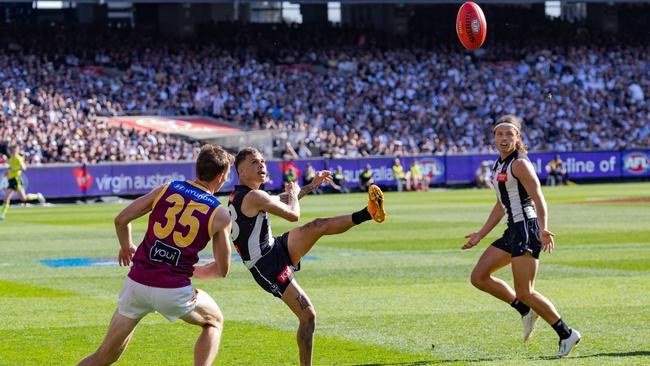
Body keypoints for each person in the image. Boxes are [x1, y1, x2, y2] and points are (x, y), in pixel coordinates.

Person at [228, 147, 387, 366]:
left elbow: (280, 199)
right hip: (266, 266)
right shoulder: (254, 196)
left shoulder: (247, 194)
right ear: (241, 171)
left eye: (263, 161)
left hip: (274, 247)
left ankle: (369, 213)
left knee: (317, 225)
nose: (262, 165)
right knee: (308, 317)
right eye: (254, 162)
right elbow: (293, 214)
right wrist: (294, 194)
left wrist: (310, 186)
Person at [78, 144, 234, 366]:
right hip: (174, 290)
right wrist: (195, 271)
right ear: (220, 177)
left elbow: (121, 219)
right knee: (214, 322)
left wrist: (126, 246)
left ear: (197, 169)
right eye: (226, 176)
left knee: (104, 356)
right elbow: (222, 269)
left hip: (136, 284)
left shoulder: (167, 188)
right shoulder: (220, 213)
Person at [462, 115, 581, 358]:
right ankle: (524, 310)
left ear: (517, 138)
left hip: (527, 228)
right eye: (500, 134)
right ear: (494, 137)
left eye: (509, 134)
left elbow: (539, 197)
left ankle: (566, 333)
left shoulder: (519, 164)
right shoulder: (498, 165)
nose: (504, 138)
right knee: (479, 276)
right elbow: (500, 205)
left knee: (525, 290)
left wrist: (543, 227)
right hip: (513, 229)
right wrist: (480, 234)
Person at [1, 146, 45, 221]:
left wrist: (15, 169)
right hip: (11, 180)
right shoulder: (11, 159)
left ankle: (37, 196)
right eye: (12, 151)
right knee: (6, 198)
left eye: (14, 151)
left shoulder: (18, 158)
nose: (13, 153)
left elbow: (24, 167)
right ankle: (2, 215)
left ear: (17, 151)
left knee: (23, 198)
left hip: (16, 180)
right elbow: (9, 165)